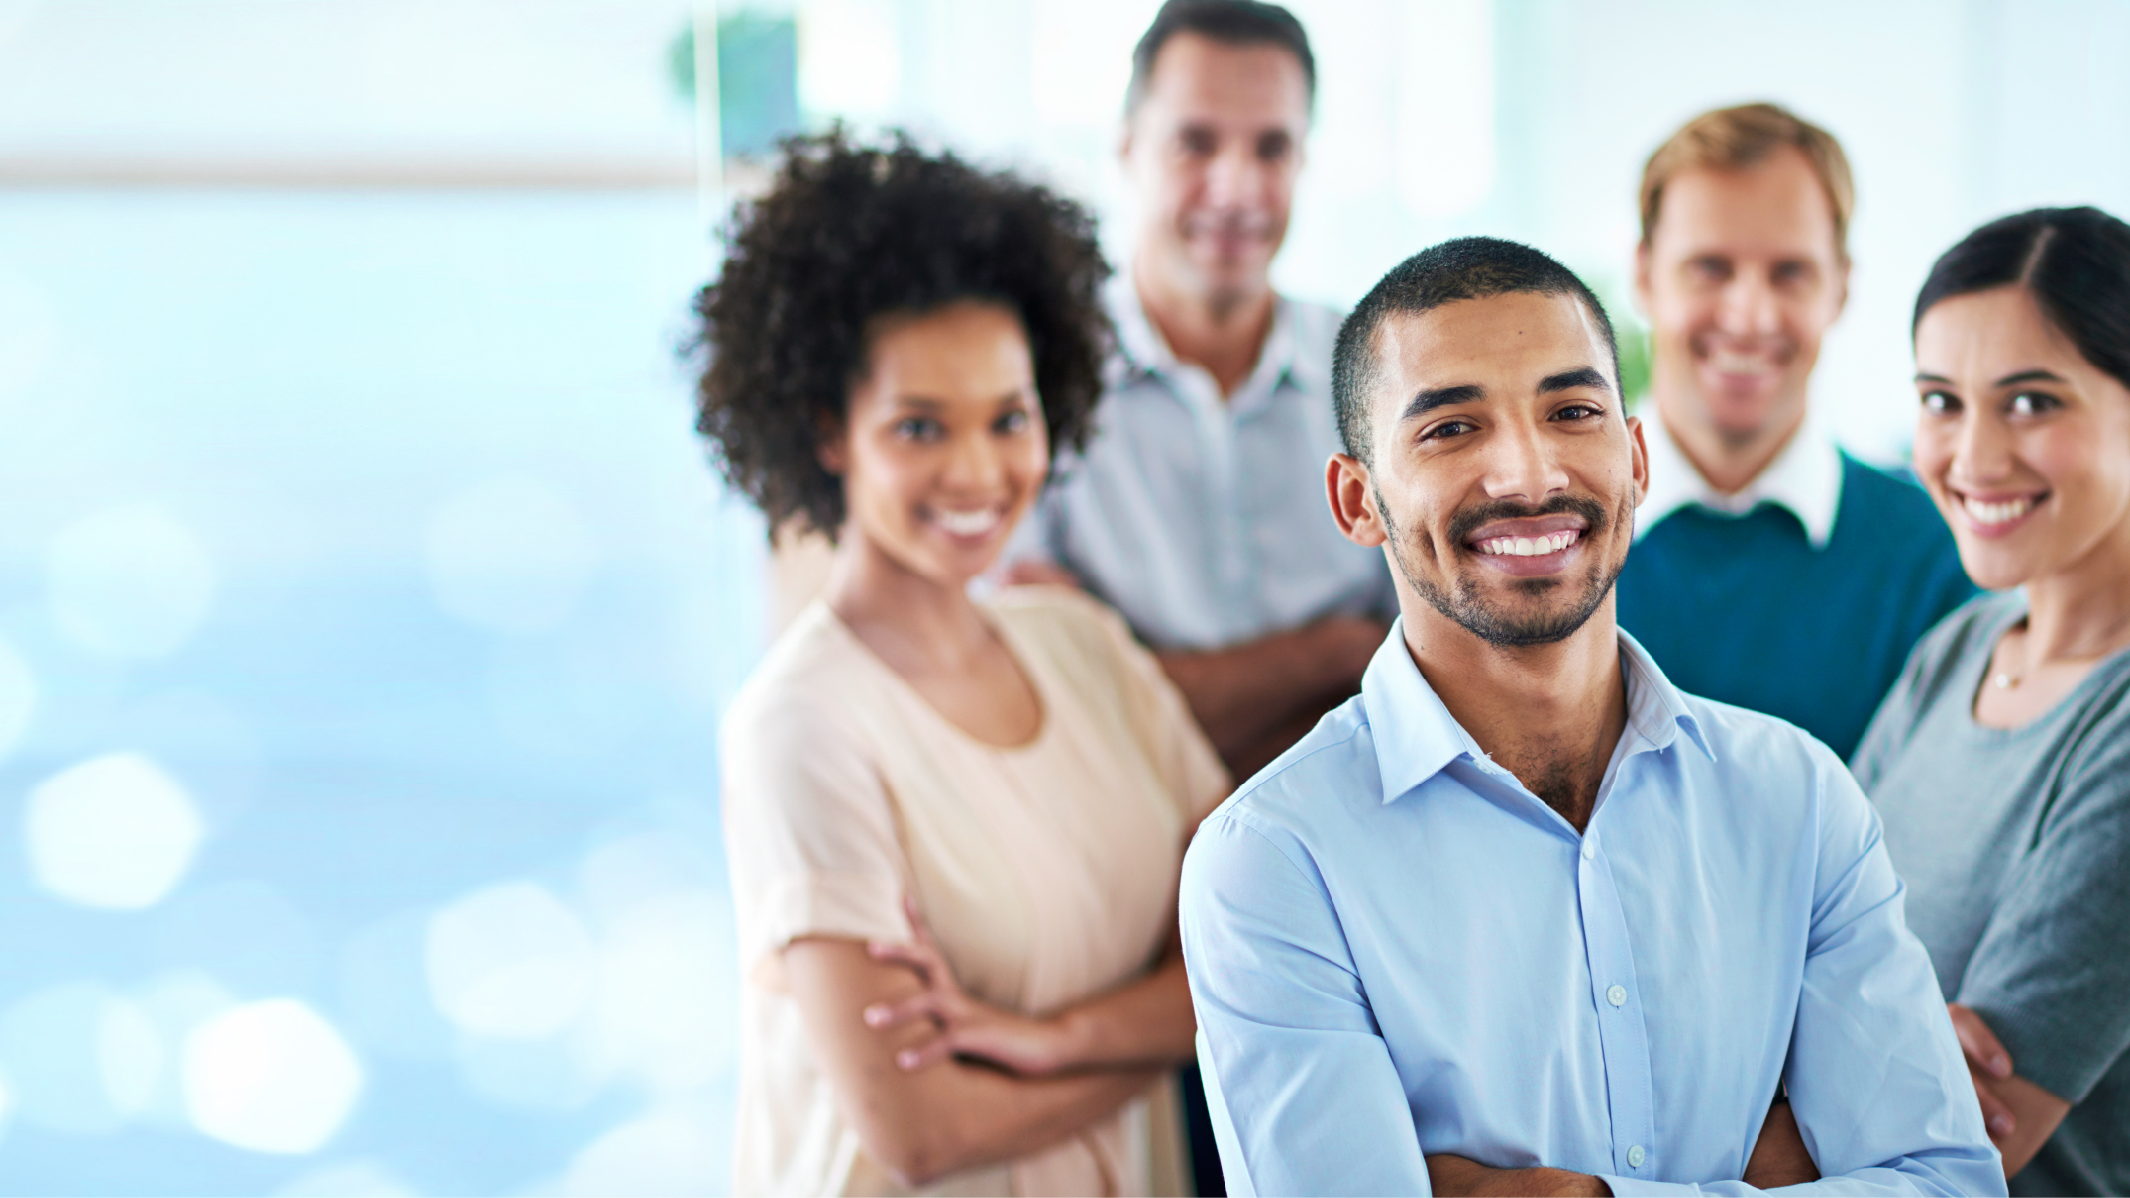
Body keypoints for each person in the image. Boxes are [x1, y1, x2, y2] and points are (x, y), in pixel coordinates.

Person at [1177, 236, 2005, 1198]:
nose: (1527, 476)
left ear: (1636, 456)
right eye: (1449, 430)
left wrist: (1585, 1197)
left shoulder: (1798, 798)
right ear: (1358, 500)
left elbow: (1948, 1185)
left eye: (1572, 412)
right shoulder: (1274, 860)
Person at [701, 130, 1229, 1198]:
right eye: (919, 427)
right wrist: (1169, 1034)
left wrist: (1054, 1038)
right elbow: (922, 1129)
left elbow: (1254, 943)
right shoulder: (802, 726)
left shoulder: (1085, 647)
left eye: (1008, 417)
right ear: (829, 431)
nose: (979, 470)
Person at [1004, 0, 1394, 784]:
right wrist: (1339, 652)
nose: (1237, 188)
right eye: (1196, 143)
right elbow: (1069, 707)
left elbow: (1442, 675)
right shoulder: (1027, 385)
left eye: (1272, 147)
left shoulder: (1383, 364)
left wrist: (1155, 682)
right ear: (1126, 150)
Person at [1853, 207, 2130, 1198]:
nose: (1972, 456)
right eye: (1941, 399)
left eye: (2030, 403)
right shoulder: (1962, 647)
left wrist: (1828, 1009)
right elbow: (1787, 926)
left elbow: (1966, 1140)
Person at [1616, 103, 1973, 759]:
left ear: (1840, 287)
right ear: (1644, 273)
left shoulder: (1937, 559)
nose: (1750, 316)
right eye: (1710, 268)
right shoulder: (1539, 536)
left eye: (1790, 273)